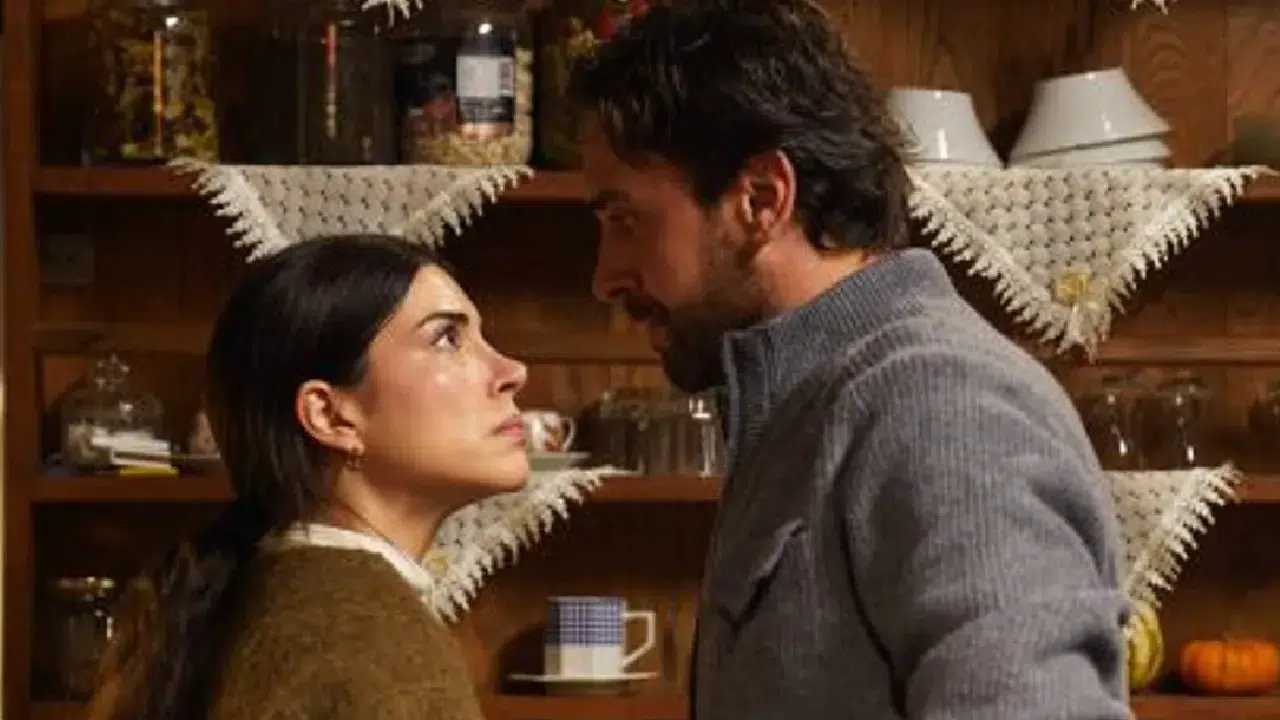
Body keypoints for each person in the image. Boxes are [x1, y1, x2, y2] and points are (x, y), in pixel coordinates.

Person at [570, 1, 1130, 718]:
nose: (605, 277)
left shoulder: (941, 404)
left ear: (761, 199)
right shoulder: (805, 404)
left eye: (625, 220)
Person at [87, 234, 528, 720]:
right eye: (447, 338)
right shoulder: (369, 641)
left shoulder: (276, 599)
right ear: (330, 416)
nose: (513, 371)